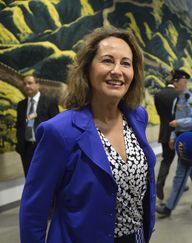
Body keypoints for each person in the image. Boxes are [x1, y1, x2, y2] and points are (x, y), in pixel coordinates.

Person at [19, 27, 156, 243]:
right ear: (87, 68)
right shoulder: (59, 131)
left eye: (126, 63)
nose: (117, 71)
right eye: (108, 61)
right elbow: (34, 210)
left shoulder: (137, 116)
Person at [156, 70, 192, 218]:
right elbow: (174, 122)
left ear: (184, 82)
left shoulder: (191, 99)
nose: (174, 83)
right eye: (173, 81)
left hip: (191, 141)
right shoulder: (177, 100)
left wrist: (179, 123)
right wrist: (173, 136)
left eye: (177, 81)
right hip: (182, 138)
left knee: (181, 173)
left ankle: (169, 207)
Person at [15, 75, 59, 177]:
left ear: (37, 84)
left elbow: (57, 126)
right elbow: (19, 125)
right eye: (24, 84)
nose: (27, 86)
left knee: (48, 178)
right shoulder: (21, 105)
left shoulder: (49, 101)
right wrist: (19, 146)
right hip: (27, 149)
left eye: (30, 83)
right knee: (30, 180)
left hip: (45, 147)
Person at [154, 70, 177, 200]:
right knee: (185, 160)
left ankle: (160, 183)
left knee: (166, 160)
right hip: (178, 132)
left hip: (164, 132)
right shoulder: (178, 95)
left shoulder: (158, 95)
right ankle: (180, 183)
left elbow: (160, 113)